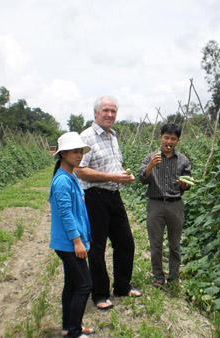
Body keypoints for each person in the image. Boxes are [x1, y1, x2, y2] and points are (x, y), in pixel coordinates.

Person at [75, 95, 142, 311]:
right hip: (94, 198)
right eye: (106, 110)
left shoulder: (113, 136)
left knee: (125, 243)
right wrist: (113, 177)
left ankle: (122, 286)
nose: (110, 115)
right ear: (95, 113)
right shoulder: (86, 137)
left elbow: (112, 166)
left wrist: (122, 175)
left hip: (114, 196)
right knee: (97, 248)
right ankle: (100, 293)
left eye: (113, 111)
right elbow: (79, 170)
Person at [49, 132, 94, 338]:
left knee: (72, 284)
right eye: (75, 152)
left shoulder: (71, 176)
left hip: (72, 242)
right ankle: (74, 333)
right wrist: (77, 242)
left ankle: (69, 326)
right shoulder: (62, 182)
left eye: (81, 151)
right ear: (63, 154)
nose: (79, 155)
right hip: (69, 244)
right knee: (85, 286)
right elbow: (66, 214)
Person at [138, 123, 192, 287]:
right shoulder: (151, 157)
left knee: (174, 245)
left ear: (178, 141)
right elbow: (142, 179)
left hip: (175, 205)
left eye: (173, 138)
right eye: (166, 137)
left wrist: (184, 185)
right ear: (161, 137)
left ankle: (174, 278)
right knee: (156, 244)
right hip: (155, 204)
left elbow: (188, 183)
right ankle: (158, 277)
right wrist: (150, 167)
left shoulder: (183, 160)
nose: (169, 141)